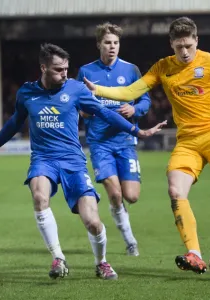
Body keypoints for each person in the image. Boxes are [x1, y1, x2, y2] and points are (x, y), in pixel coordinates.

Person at [0, 43, 166, 280]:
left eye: (66, 68)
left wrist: (137, 131)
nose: (65, 73)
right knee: (39, 196)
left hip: (73, 162)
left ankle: (102, 263)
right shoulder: (26, 93)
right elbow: (15, 122)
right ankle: (58, 258)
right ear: (43, 68)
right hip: (43, 159)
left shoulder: (76, 90)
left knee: (94, 223)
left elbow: (104, 113)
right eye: (58, 69)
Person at [84, 16, 210, 275]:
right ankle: (194, 254)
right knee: (175, 190)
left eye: (189, 46)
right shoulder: (162, 67)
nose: (185, 52)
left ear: (196, 41)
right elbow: (131, 92)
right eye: (179, 47)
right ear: (171, 44)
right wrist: (98, 90)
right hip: (187, 141)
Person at [77, 22, 151, 256]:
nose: (112, 47)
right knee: (115, 193)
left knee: (131, 196)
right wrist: (84, 111)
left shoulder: (131, 71)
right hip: (100, 144)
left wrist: (135, 110)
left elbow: (146, 101)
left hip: (126, 141)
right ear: (99, 44)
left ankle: (120, 211)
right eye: (108, 43)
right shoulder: (86, 72)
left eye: (116, 43)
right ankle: (130, 241)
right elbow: (77, 103)